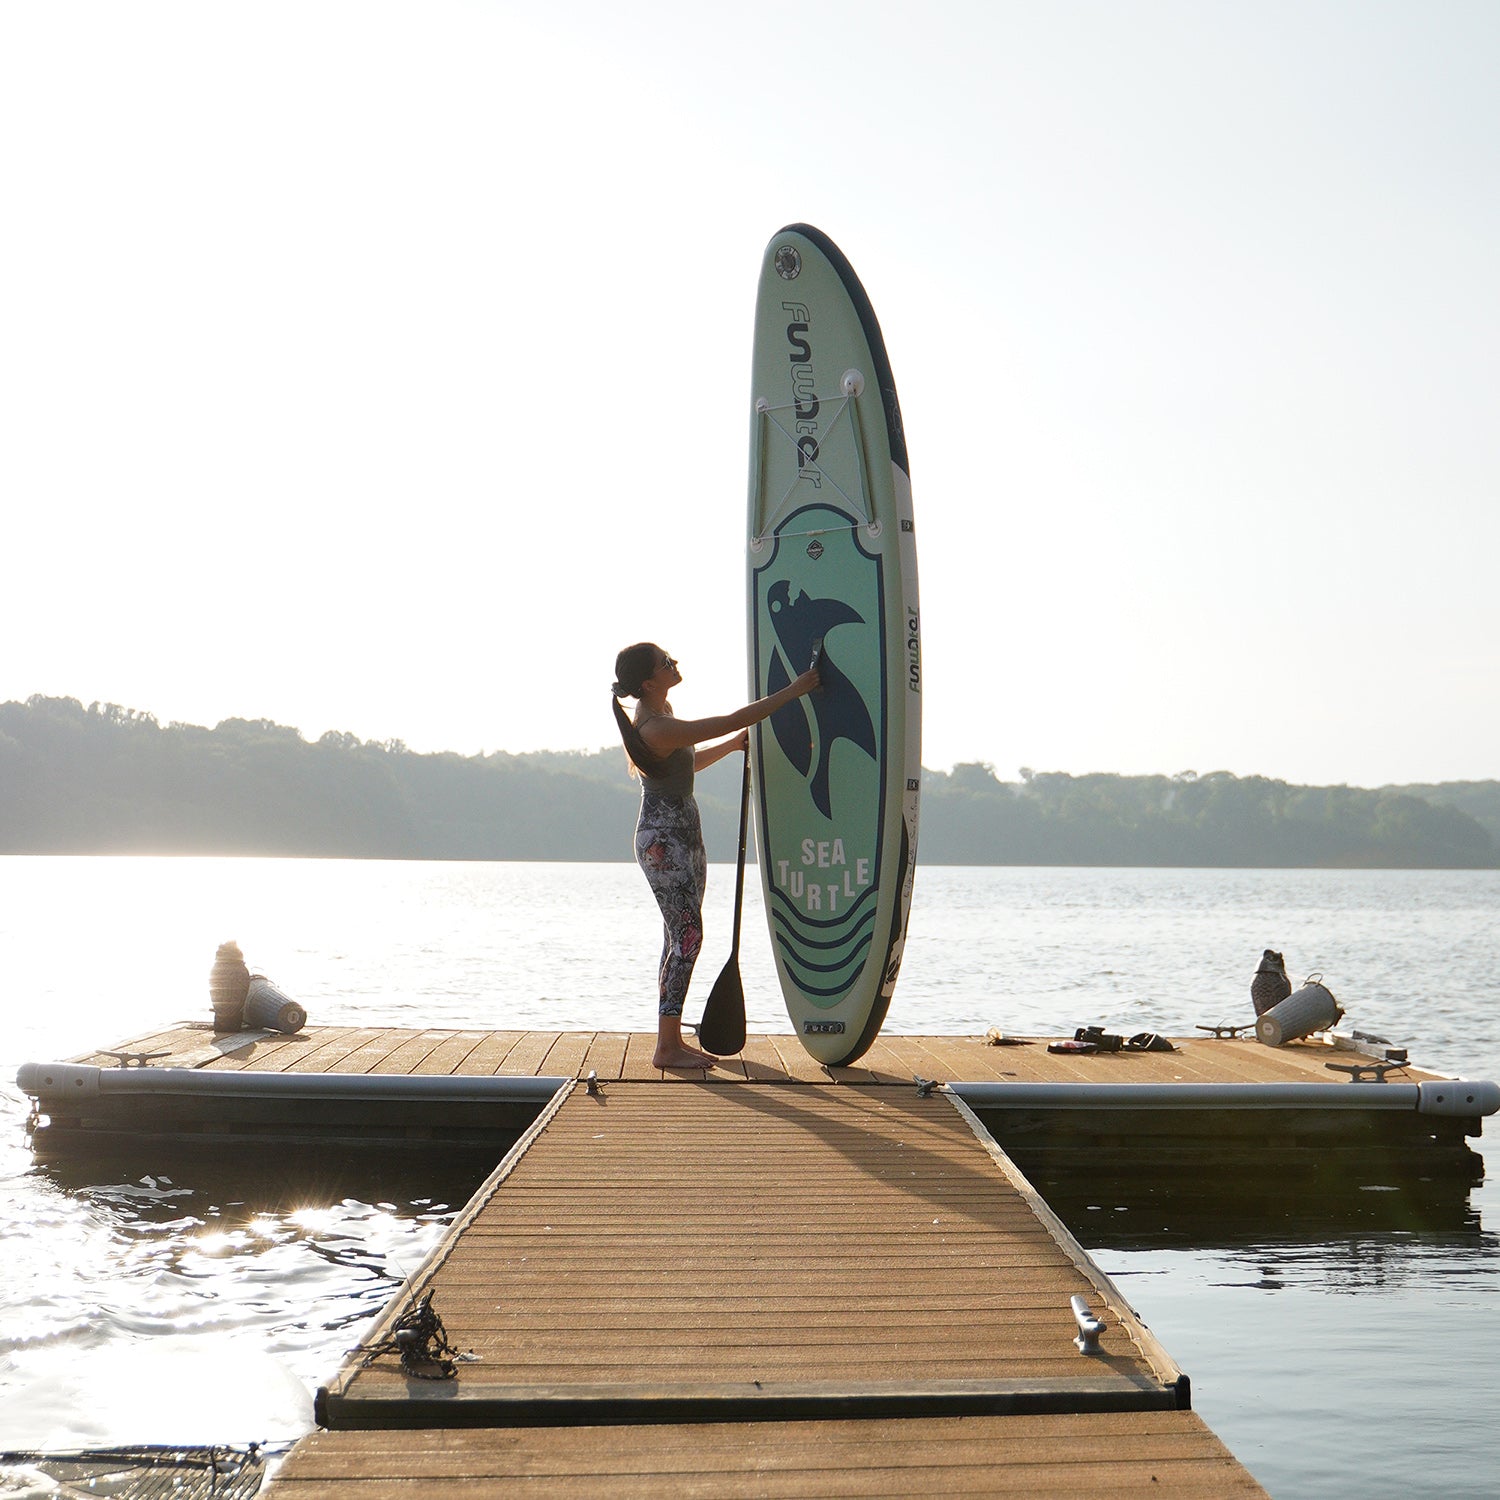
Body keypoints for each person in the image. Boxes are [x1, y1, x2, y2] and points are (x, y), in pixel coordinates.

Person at [611, 642, 820, 1069]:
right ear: (649, 682)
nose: (676, 664)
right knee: (689, 938)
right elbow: (728, 719)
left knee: (678, 938)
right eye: (666, 663)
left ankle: (670, 1038)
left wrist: (731, 747)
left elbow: (688, 761)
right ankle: (666, 1048)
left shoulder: (663, 715)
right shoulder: (653, 726)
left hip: (684, 834)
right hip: (663, 842)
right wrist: (794, 691)